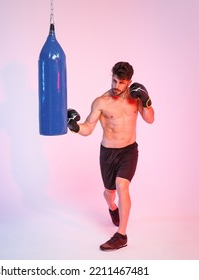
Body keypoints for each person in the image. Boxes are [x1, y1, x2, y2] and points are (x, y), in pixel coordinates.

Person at [67, 61, 154, 251]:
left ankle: (121, 235)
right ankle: (113, 208)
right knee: (109, 192)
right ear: (111, 77)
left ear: (129, 82)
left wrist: (147, 101)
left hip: (129, 151)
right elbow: (88, 128)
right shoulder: (101, 102)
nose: (116, 86)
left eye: (121, 83)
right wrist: (74, 126)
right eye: (114, 81)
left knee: (122, 186)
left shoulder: (135, 98)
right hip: (108, 153)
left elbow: (150, 119)